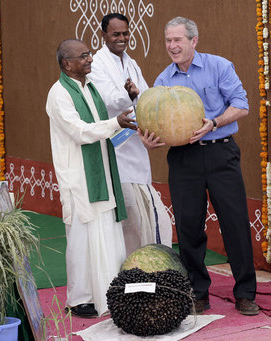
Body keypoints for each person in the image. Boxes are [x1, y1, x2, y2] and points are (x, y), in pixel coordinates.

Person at [139, 17, 259, 315]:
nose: (172, 46)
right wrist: (150, 139)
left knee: (235, 225)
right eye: (168, 40)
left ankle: (245, 293)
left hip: (221, 153)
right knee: (189, 227)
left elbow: (241, 105)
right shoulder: (163, 80)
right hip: (183, 159)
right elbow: (158, 122)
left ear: (194, 41)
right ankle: (199, 292)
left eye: (178, 40)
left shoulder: (219, 66)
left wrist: (214, 123)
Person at [45, 39, 137, 318]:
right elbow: (80, 131)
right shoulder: (59, 93)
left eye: (89, 54)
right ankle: (81, 298)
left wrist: (121, 117)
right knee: (82, 238)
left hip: (102, 173)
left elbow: (103, 124)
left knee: (107, 232)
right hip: (79, 178)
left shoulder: (90, 87)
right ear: (66, 63)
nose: (90, 59)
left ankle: (110, 293)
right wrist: (114, 124)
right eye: (83, 56)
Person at [88, 13, 173, 256]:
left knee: (149, 216)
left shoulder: (131, 62)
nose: (122, 38)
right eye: (116, 34)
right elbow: (108, 101)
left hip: (137, 146)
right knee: (130, 217)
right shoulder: (97, 64)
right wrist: (130, 94)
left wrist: (139, 97)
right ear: (104, 35)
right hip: (115, 149)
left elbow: (144, 97)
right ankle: (130, 271)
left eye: (125, 33)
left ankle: (151, 266)